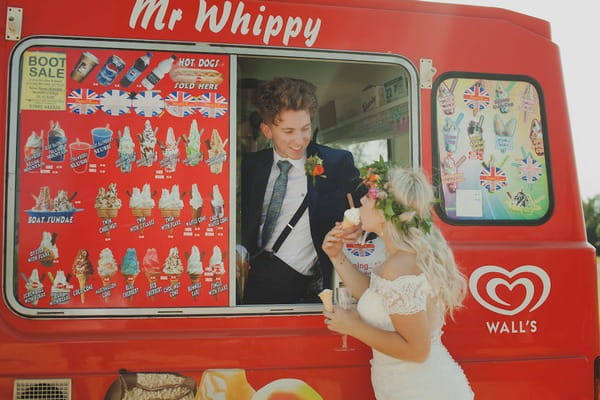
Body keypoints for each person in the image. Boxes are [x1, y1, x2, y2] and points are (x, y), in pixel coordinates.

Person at [321, 160, 474, 399]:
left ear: (384, 214)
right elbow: (376, 297)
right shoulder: (397, 258)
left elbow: (417, 350)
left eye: (368, 198)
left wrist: (353, 327)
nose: (361, 201)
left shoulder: (400, 267)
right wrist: (336, 255)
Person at [241, 77, 364, 304]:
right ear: (267, 130)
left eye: (305, 128)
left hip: (311, 280)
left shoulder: (337, 163)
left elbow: (371, 211)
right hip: (254, 277)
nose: (299, 140)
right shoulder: (250, 165)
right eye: (288, 131)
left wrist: (360, 228)